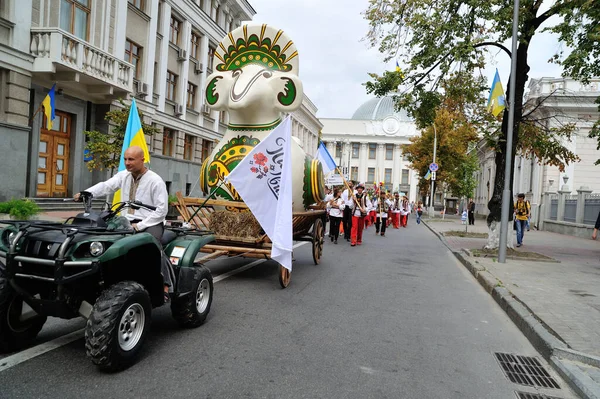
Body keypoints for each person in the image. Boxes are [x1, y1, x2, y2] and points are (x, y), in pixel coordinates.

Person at [74, 146, 173, 302]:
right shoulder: (124, 176)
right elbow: (106, 186)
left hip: (150, 221)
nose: (127, 163)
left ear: (142, 159)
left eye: (131, 159)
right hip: (126, 220)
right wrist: (86, 193)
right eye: (125, 159)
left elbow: (161, 211)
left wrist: (140, 226)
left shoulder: (156, 181)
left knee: (153, 245)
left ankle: (165, 286)